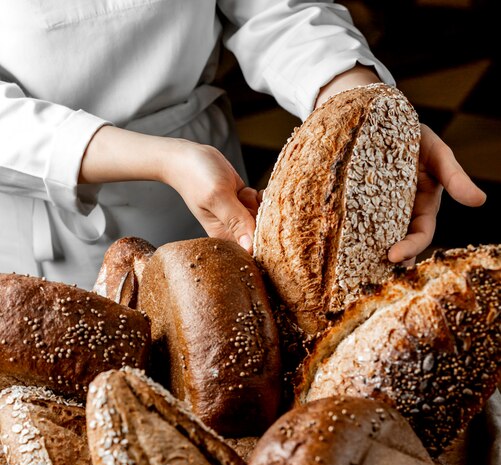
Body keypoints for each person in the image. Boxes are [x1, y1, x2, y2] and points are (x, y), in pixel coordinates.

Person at [0, 1, 486, 289]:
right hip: (26, 243)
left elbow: (275, 10)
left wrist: (362, 109)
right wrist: (162, 160)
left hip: (204, 199)